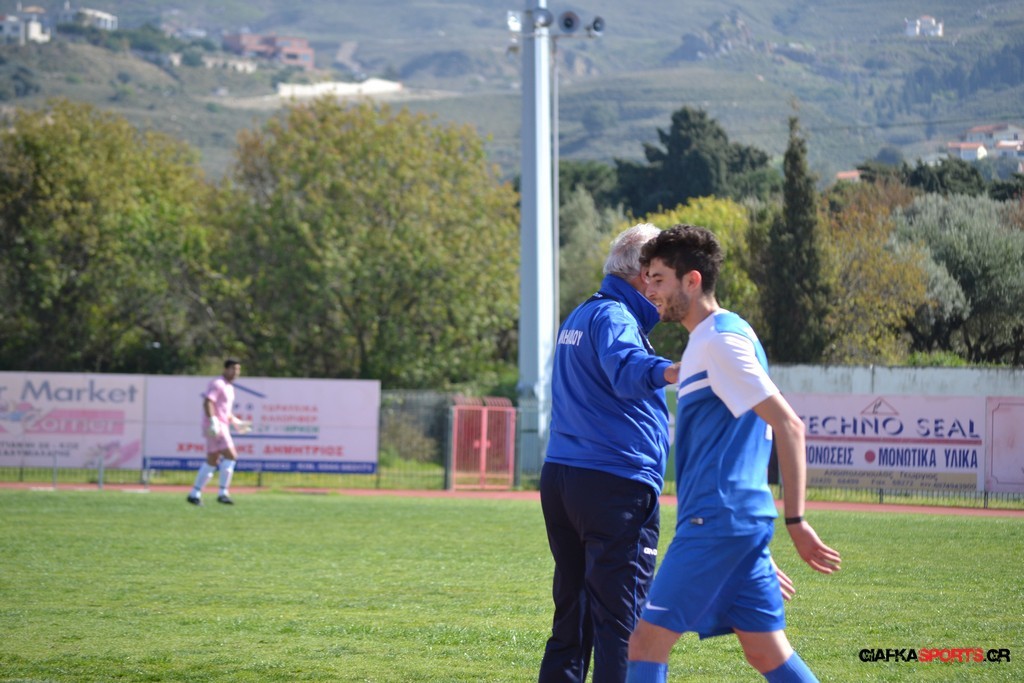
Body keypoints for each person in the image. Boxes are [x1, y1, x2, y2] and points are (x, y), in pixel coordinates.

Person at [626, 225, 842, 683]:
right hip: (734, 524)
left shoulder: (720, 341)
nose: (650, 290)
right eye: (647, 279)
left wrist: (796, 522)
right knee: (766, 652)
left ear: (693, 280)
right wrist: (748, 543)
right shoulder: (722, 336)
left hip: (716, 521)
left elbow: (789, 425)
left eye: (659, 279)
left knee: (645, 643)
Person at [539, 223, 680, 683]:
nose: (662, 288)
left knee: (573, 617)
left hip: (564, 477)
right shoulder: (616, 318)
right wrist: (678, 370)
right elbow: (626, 369)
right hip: (613, 485)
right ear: (641, 274)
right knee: (623, 624)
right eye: (659, 274)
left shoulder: (581, 314)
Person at [187, 359, 249, 506]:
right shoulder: (218, 383)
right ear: (226, 369)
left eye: (238, 370)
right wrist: (213, 420)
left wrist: (236, 422)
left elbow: (224, 410)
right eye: (233, 369)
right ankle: (223, 493)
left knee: (212, 460)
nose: (236, 372)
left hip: (220, 424)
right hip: (216, 426)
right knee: (231, 456)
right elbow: (208, 401)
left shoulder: (229, 387)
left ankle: (194, 493)